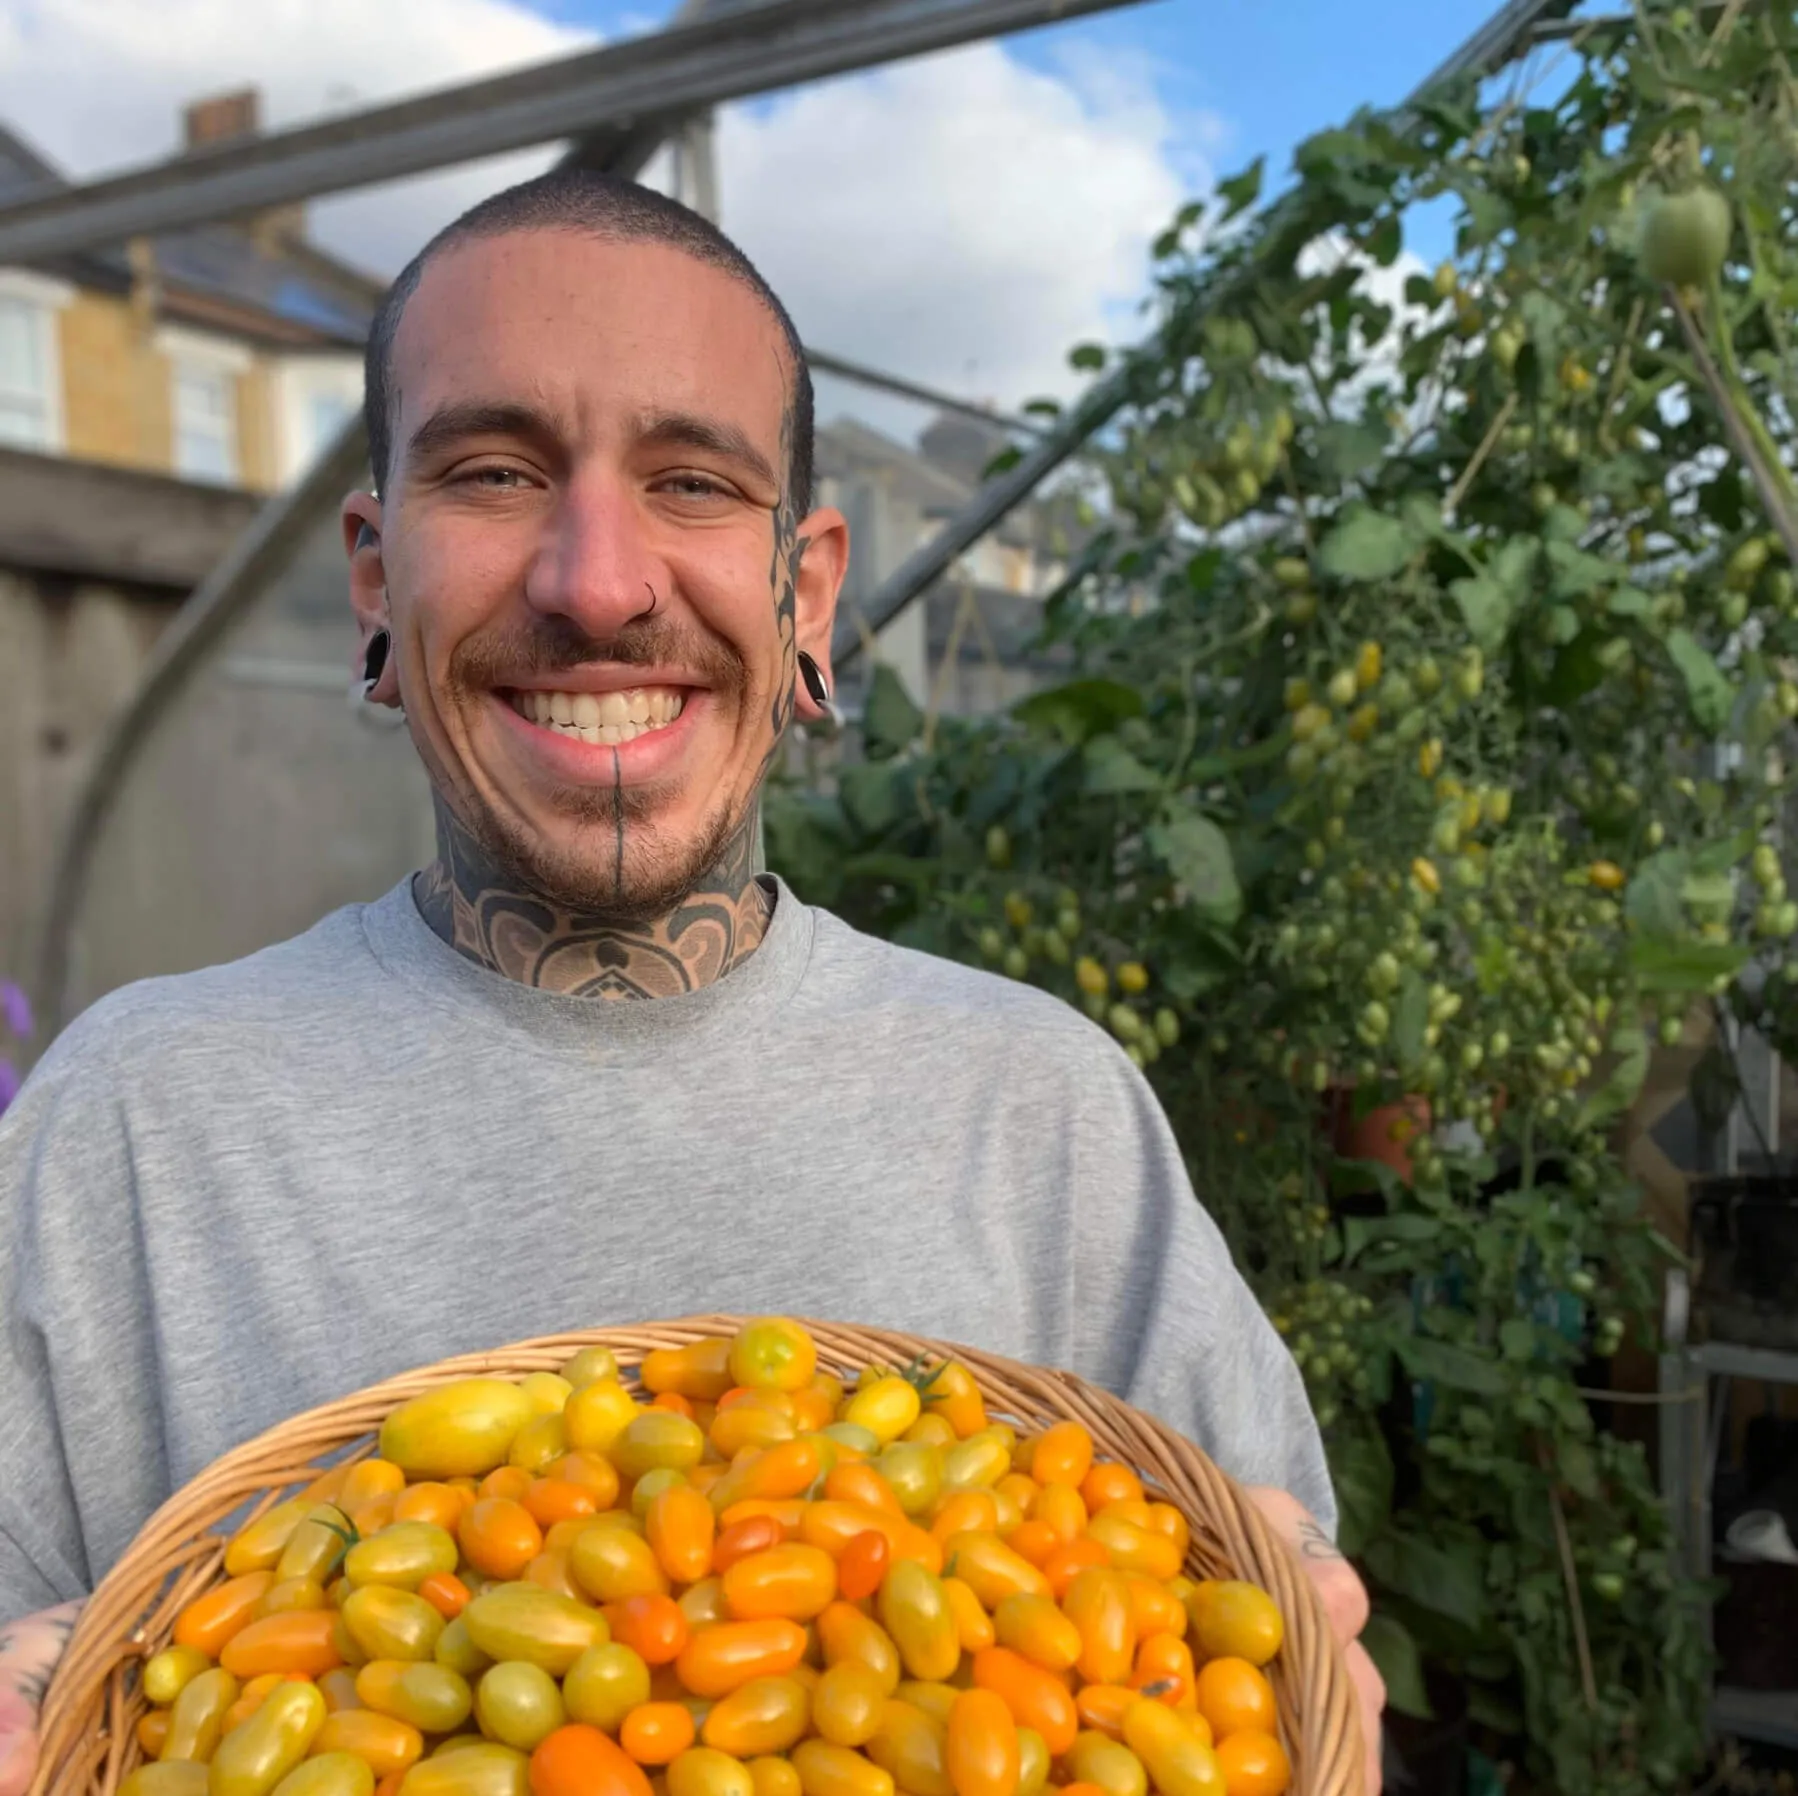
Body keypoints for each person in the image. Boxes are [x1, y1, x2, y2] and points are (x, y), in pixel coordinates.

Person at [0, 170, 1383, 1791]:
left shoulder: (1039, 1112)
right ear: (376, 577)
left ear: (805, 596)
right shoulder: (139, 1120)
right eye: (496, 469)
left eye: (694, 482)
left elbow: (1253, 1672)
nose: (598, 582)